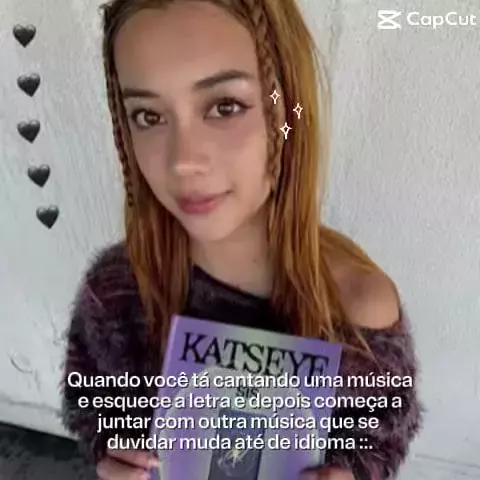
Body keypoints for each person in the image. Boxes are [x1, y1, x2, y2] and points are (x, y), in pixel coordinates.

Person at [60, 0, 423, 479]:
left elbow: (378, 440)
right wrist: (112, 454)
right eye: (147, 116)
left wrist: (351, 474)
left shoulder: (357, 311)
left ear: (287, 113)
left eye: (225, 107)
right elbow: (93, 404)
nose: (183, 161)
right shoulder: (116, 290)